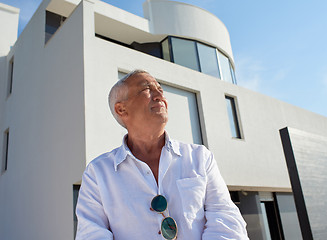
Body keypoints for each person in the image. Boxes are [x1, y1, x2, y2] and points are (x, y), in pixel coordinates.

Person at [75, 70, 249, 239]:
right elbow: (91, 234)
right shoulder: (97, 173)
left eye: (160, 89)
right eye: (147, 89)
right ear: (121, 110)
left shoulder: (200, 158)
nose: (160, 96)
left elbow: (227, 221)